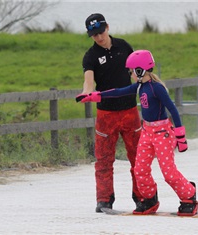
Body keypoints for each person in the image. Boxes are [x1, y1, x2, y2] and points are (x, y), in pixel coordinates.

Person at [78, 50, 198, 216]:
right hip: (147, 132)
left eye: (132, 71)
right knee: (140, 169)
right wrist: (96, 96)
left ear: (141, 70)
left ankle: (189, 196)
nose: (131, 75)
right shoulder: (140, 86)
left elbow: (173, 110)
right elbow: (118, 92)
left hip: (162, 132)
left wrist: (180, 136)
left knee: (168, 173)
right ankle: (149, 199)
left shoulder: (157, 89)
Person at [76, 13, 143, 213]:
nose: (99, 37)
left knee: (138, 157)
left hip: (130, 111)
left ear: (107, 27)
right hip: (106, 115)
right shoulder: (90, 56)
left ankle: (143, 196)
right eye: (94, 34)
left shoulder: (124, 46)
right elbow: (89, 81)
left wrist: (147, 83)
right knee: (104, 159)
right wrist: (86, 93)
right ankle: (104, 199)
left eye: (101, 32)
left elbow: (135, 73)